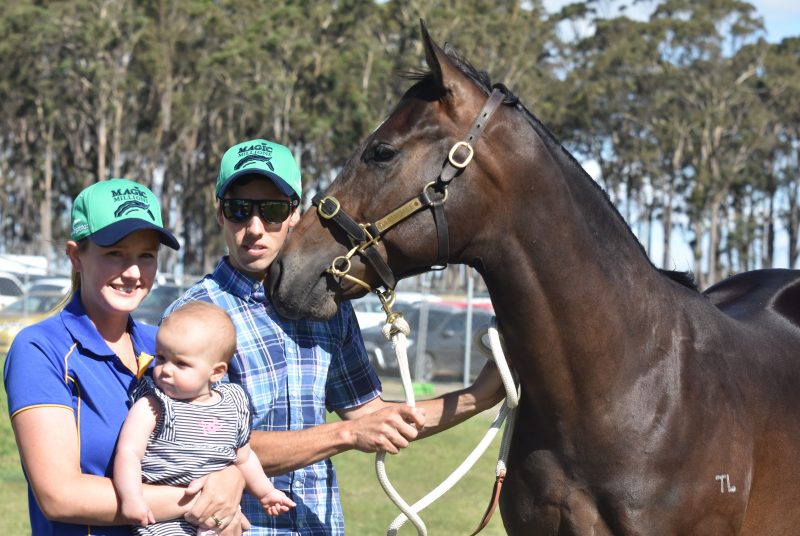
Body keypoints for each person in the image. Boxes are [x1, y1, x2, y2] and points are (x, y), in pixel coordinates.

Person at [163, 138, 504, 535]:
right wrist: (345, 434)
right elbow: (203, 447)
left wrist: (480, 395)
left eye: (272, 211)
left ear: (295, 215)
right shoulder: (190, 316)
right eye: (239, 210)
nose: (254, 228)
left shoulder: (328, 307)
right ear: (220, 214)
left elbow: (370, 417)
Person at [3, 178, 248, 536]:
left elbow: (221, 434)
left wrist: (232, 477)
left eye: (146, 256)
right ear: (76, 256)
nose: (133, 273)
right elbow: (60, 495)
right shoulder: (41, 348)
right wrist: (201, 501)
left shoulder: (164, 346)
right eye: (115, 253)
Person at [114, 301, 296, 535]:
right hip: (166, 519)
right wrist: (132, 497)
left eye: (181, 363)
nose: (166, 369)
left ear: (217, 372)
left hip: (217, 516)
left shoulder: (233, 404)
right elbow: (129, 452)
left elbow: (244, 457)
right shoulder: (155, 404)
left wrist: (266, 492)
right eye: (161, 357)